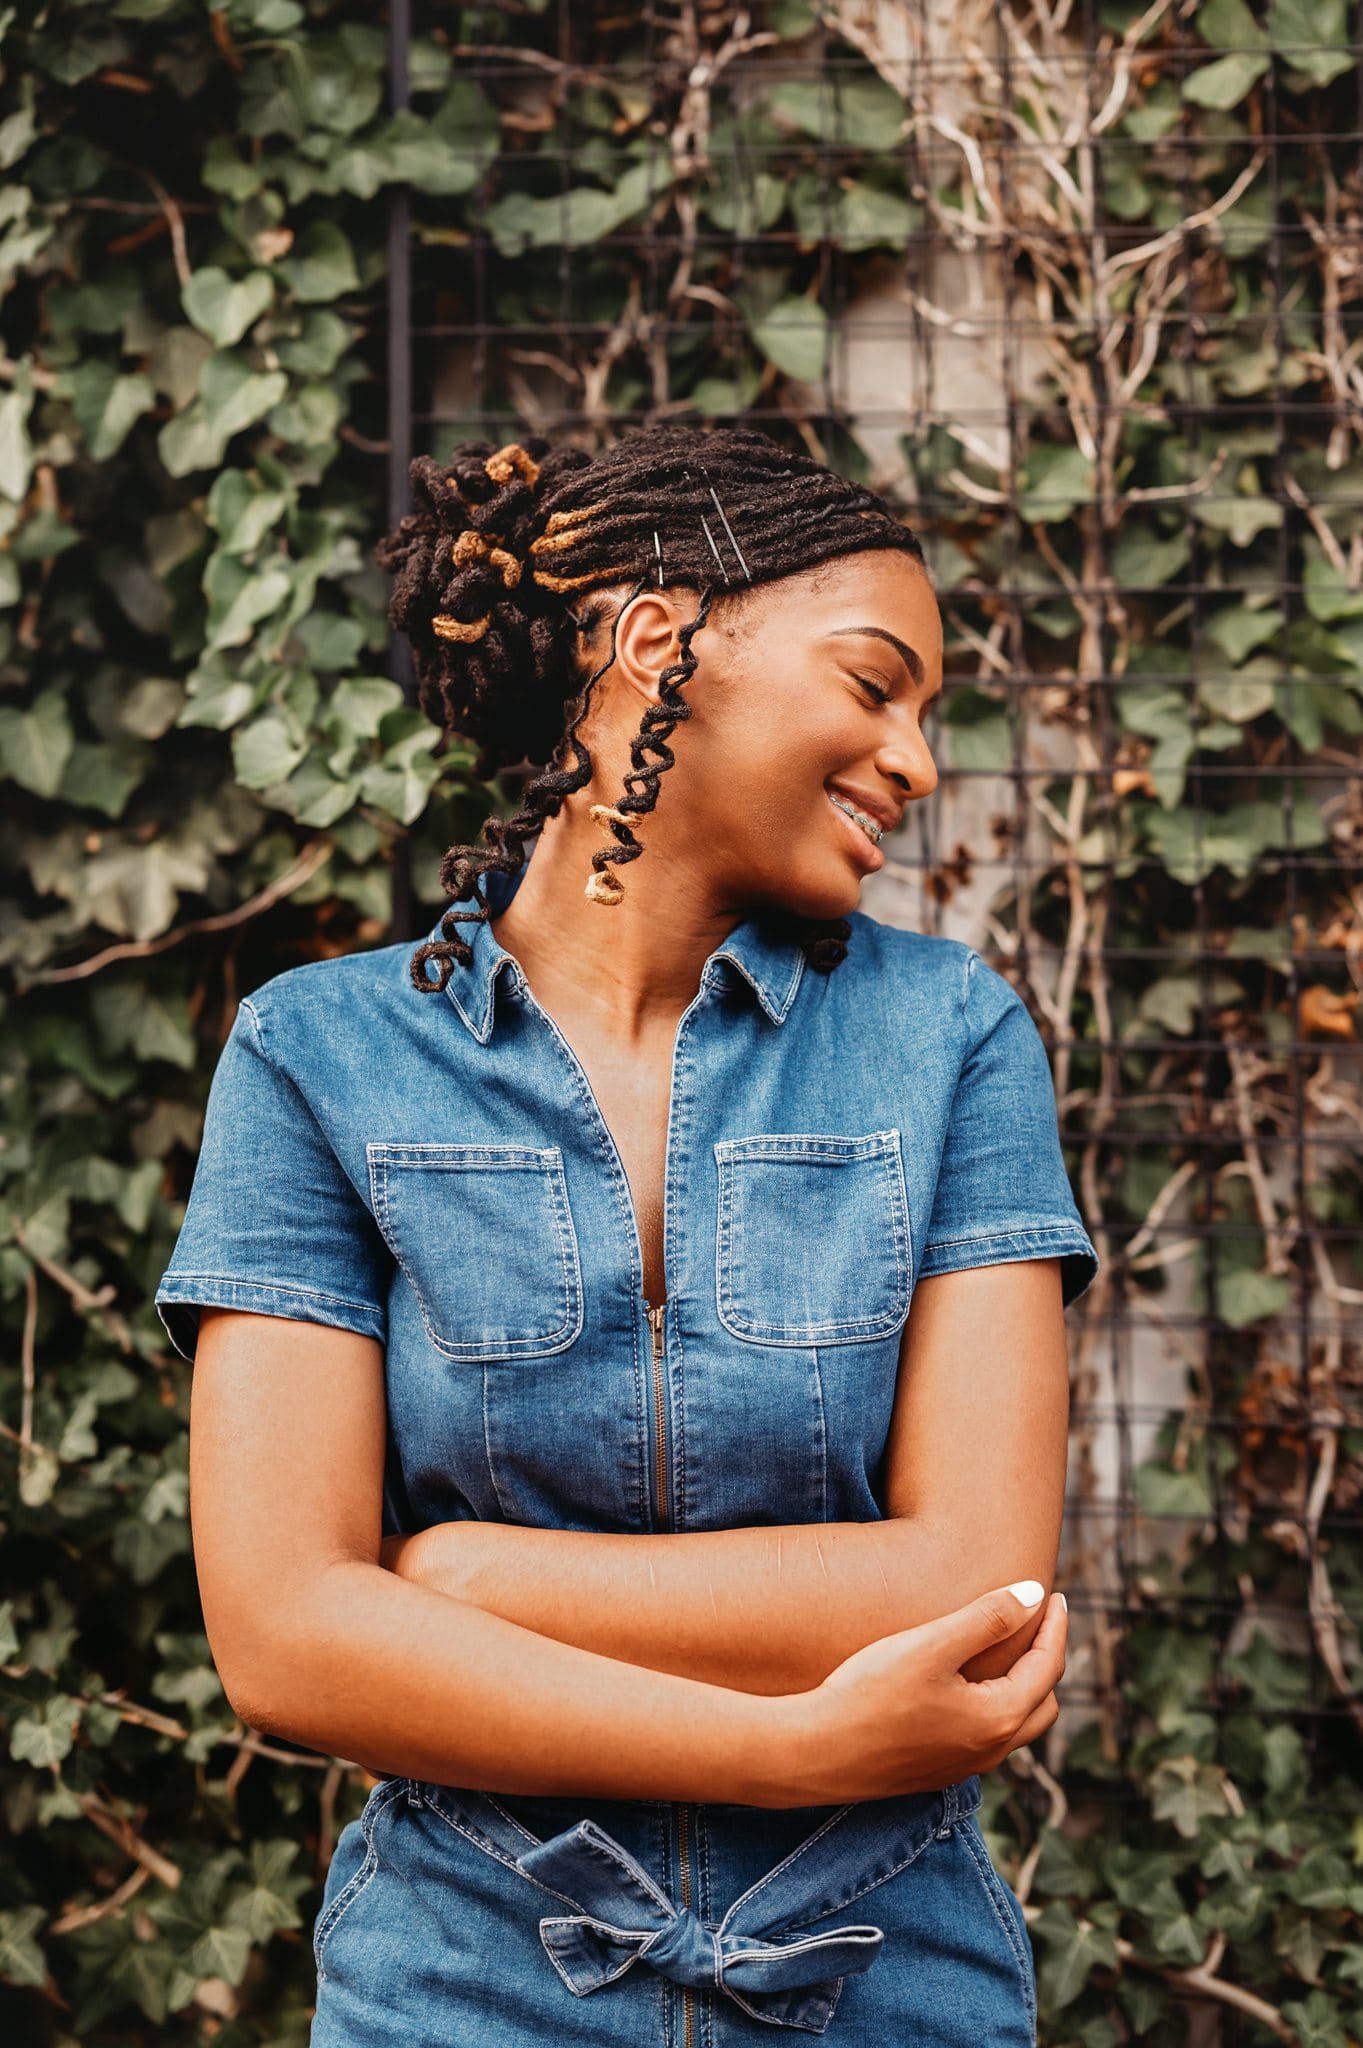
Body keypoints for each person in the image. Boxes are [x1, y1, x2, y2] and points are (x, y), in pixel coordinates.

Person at [155, 422, 1100, 2046]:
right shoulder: (318, 1057)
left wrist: (459, 1580)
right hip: (461, 1980)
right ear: (655, 640)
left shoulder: (951, 1040)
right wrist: (795, 1749)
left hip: (884, 1976)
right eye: (876, 686)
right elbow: (285, 1639)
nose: (919, 764)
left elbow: (977, 1582)